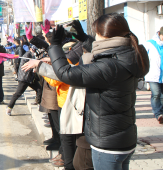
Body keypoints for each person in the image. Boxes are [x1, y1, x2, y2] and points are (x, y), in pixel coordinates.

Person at [47, 14, 149, 170]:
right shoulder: (130, 55)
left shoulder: (109, 66)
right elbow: (104, 50)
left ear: (103, 36)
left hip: (107, 143)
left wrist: (54, 46)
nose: (95, 37)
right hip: (124, 138)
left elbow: (66, 73)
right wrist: (83, 38)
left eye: (96, 33)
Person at [143, 27, 163, 123]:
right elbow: (142, 56)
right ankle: (158, 114)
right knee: (156, 94)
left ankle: (161, 113)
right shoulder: (149, 43)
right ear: (159, 34)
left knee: (162, 96)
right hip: (153, 74)